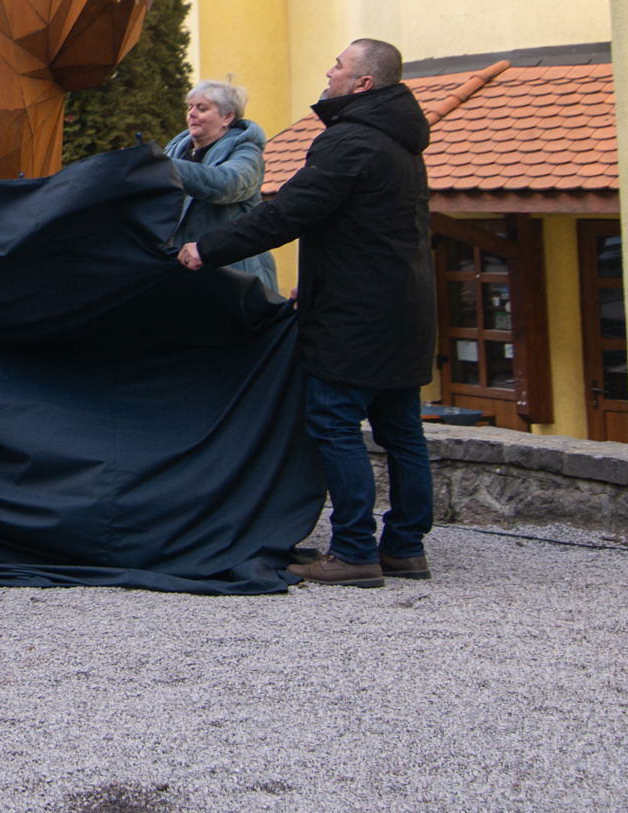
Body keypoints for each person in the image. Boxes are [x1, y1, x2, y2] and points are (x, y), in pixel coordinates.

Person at [179, 38, 434, 588]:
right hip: (405, 306)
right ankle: (406, 548)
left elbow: (287, 213)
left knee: (334, 423)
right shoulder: (402, 144)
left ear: (363, 84)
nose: (329, 71)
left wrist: (207, 249)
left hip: (355, 316)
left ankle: (354, 552)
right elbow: (372, 234)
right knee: (402, 431)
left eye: (339, 66)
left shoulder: (351, 142)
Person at [165, 80, 278, 296]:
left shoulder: (247, 153)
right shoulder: (174, 153)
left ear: (227, 117)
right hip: (187, 275)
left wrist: (165, 168)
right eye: (189, 107)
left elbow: (227, 184)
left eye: (202, 108)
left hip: (237, 279)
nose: (192, 114)